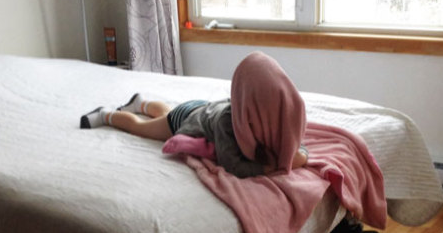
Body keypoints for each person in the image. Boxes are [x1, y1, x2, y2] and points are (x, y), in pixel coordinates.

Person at [80, 52, 309, 178]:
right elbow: (232, 164)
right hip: (188, 119)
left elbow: (295, 146)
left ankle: (141, 103)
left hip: (202, 108)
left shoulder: (269, 119)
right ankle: (106, 115)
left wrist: (299, 156)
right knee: (143, 128)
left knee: (166, 112)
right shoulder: (227, 125)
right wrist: (269, 169)